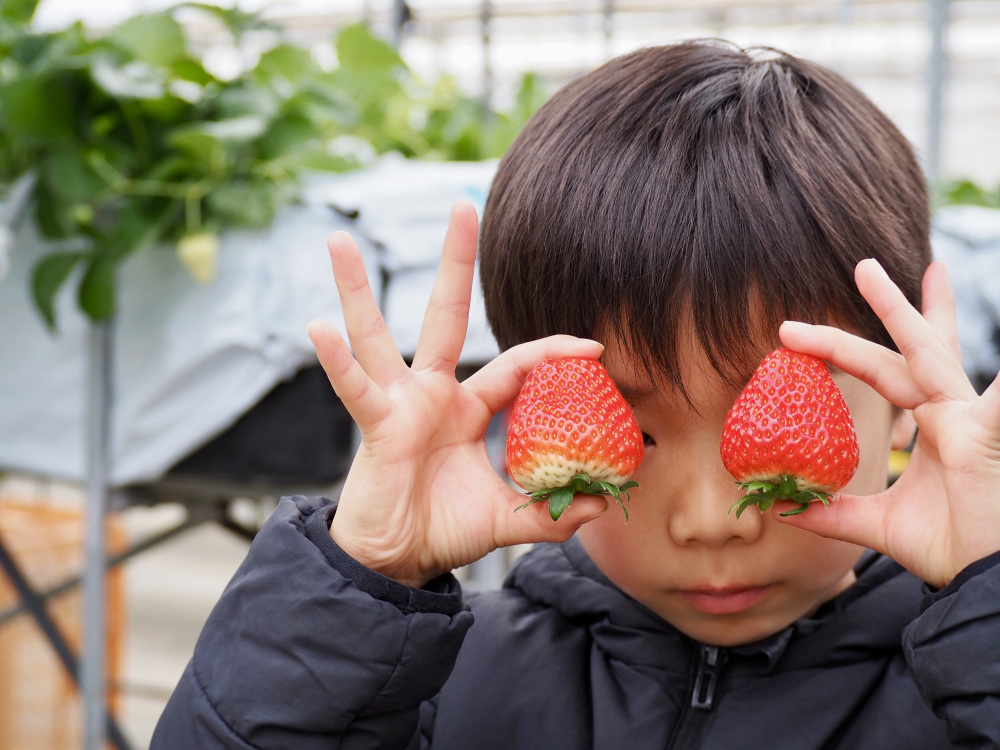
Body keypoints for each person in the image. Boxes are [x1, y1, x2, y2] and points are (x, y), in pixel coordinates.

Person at [151, 40, 1000, 748]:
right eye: (634, 434)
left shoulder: (961, 683)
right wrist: (360, 585)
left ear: (901, 400)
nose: (710, 521)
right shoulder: (434, 687)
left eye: (767, 441)